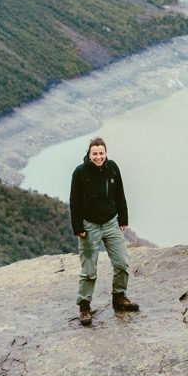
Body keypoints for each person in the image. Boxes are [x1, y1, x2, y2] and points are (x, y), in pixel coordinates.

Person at [69, 137, 139, 326]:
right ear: (89, 154)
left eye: (101, 153)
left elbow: (120, 194)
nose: (98, 157)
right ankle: (84, 307)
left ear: (105, 153)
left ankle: (119, 298)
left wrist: (123, 219)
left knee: (122, 263)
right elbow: (74, 202)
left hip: (111, 223)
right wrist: (78, 227)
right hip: (89, 226)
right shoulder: (80, 172)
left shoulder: (113, 168)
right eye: (95, 153)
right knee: (89, 270)